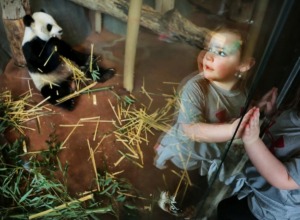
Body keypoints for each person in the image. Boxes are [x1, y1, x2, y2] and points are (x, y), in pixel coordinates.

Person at [154, 25, 256, 216]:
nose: (208, 56)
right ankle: (168, 204)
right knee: (179, 186)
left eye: (221, 52)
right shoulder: (195, 88)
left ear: (244, 65)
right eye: (209, 48)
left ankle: (186, 206)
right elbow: (191, 130)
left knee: (199, 186)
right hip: (187, 155)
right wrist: (232, 130)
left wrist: (260, 108)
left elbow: (238, 111)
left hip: (210, 155)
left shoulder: (243, 91)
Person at [218, 89, 300, 220]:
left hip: (270, 210)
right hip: (256, 189)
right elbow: (284, 131)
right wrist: (271, 114)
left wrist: (252, 140)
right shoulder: (293, 113)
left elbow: (285, 179)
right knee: (224, 208)